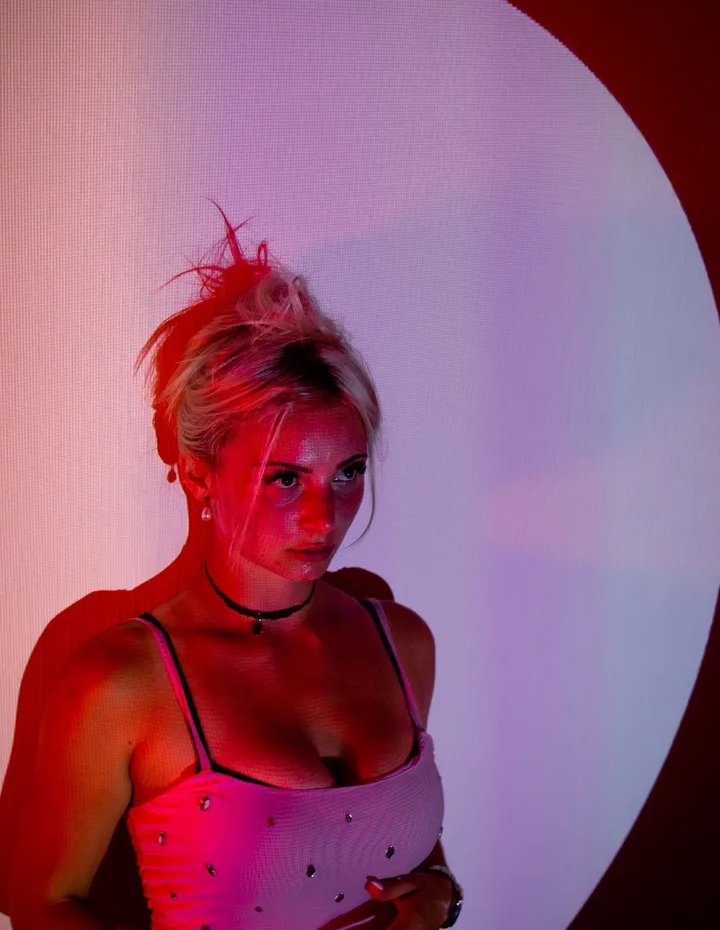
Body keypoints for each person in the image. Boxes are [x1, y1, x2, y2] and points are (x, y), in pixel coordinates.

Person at [7, 210, 463, 929]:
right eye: (285, 478)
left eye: (347, 472)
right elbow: (42, 900)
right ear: (198, 474)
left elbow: (401, 844)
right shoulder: (122, 680)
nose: (324, 516)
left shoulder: (400, 641)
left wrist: (441, 892)